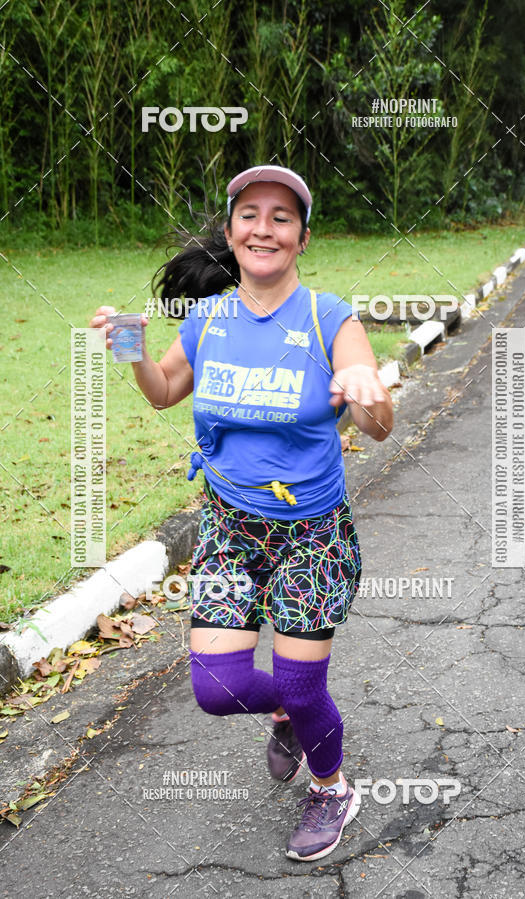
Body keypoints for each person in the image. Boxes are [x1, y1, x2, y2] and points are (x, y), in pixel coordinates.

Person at [90, 164, 393, 862]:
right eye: (250, 214)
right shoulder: (208, 319)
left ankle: (331, 788)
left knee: (297, 677)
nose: (264, 227)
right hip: (229, 526)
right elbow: (165, 391)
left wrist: (366, 391)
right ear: (231, 232)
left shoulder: (327, 317)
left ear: (302, 237)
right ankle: (292, 715)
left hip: (312, 533)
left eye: (281, 217)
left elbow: (379, 423)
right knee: (217, 687)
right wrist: (132, 349)